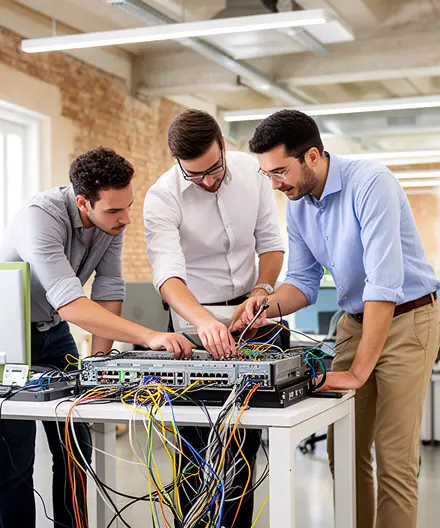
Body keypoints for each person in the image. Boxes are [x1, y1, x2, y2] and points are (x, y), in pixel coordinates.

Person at [231, 110, 440, 528]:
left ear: (312, 156)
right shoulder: (298, 205)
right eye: (266, 175)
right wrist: (263, 305)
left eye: (279, 172)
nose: (274, 184)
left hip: (407, 320)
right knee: (344, 451)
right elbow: (303, 282)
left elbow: (384, 284)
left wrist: (358, 373)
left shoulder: (371, 183)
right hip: (354, 322)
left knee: (395, 457)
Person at [0, 147, 193, 528]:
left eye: (129, 206)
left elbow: (108, 288)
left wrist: (99, 366)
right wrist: (149, 335)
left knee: (75, 449)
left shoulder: (109, 225)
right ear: (83, 202)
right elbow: (71, 303)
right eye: (115, 211)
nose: (126, 219)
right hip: (12, 342)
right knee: (18, 454)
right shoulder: (39, 218)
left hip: (54, 333)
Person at [143, 109, 286, 526]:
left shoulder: (252, 172)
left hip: (251, 314)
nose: (207, 181)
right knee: (193, 444)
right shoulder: (162, 197)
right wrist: (204, 322)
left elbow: (271, 245)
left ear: (223, 145)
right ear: (178, 165)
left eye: (214, 169)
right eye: (195, 176)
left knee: (242, 441)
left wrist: (262, 290)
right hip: (191, 316)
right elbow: (167, 277)